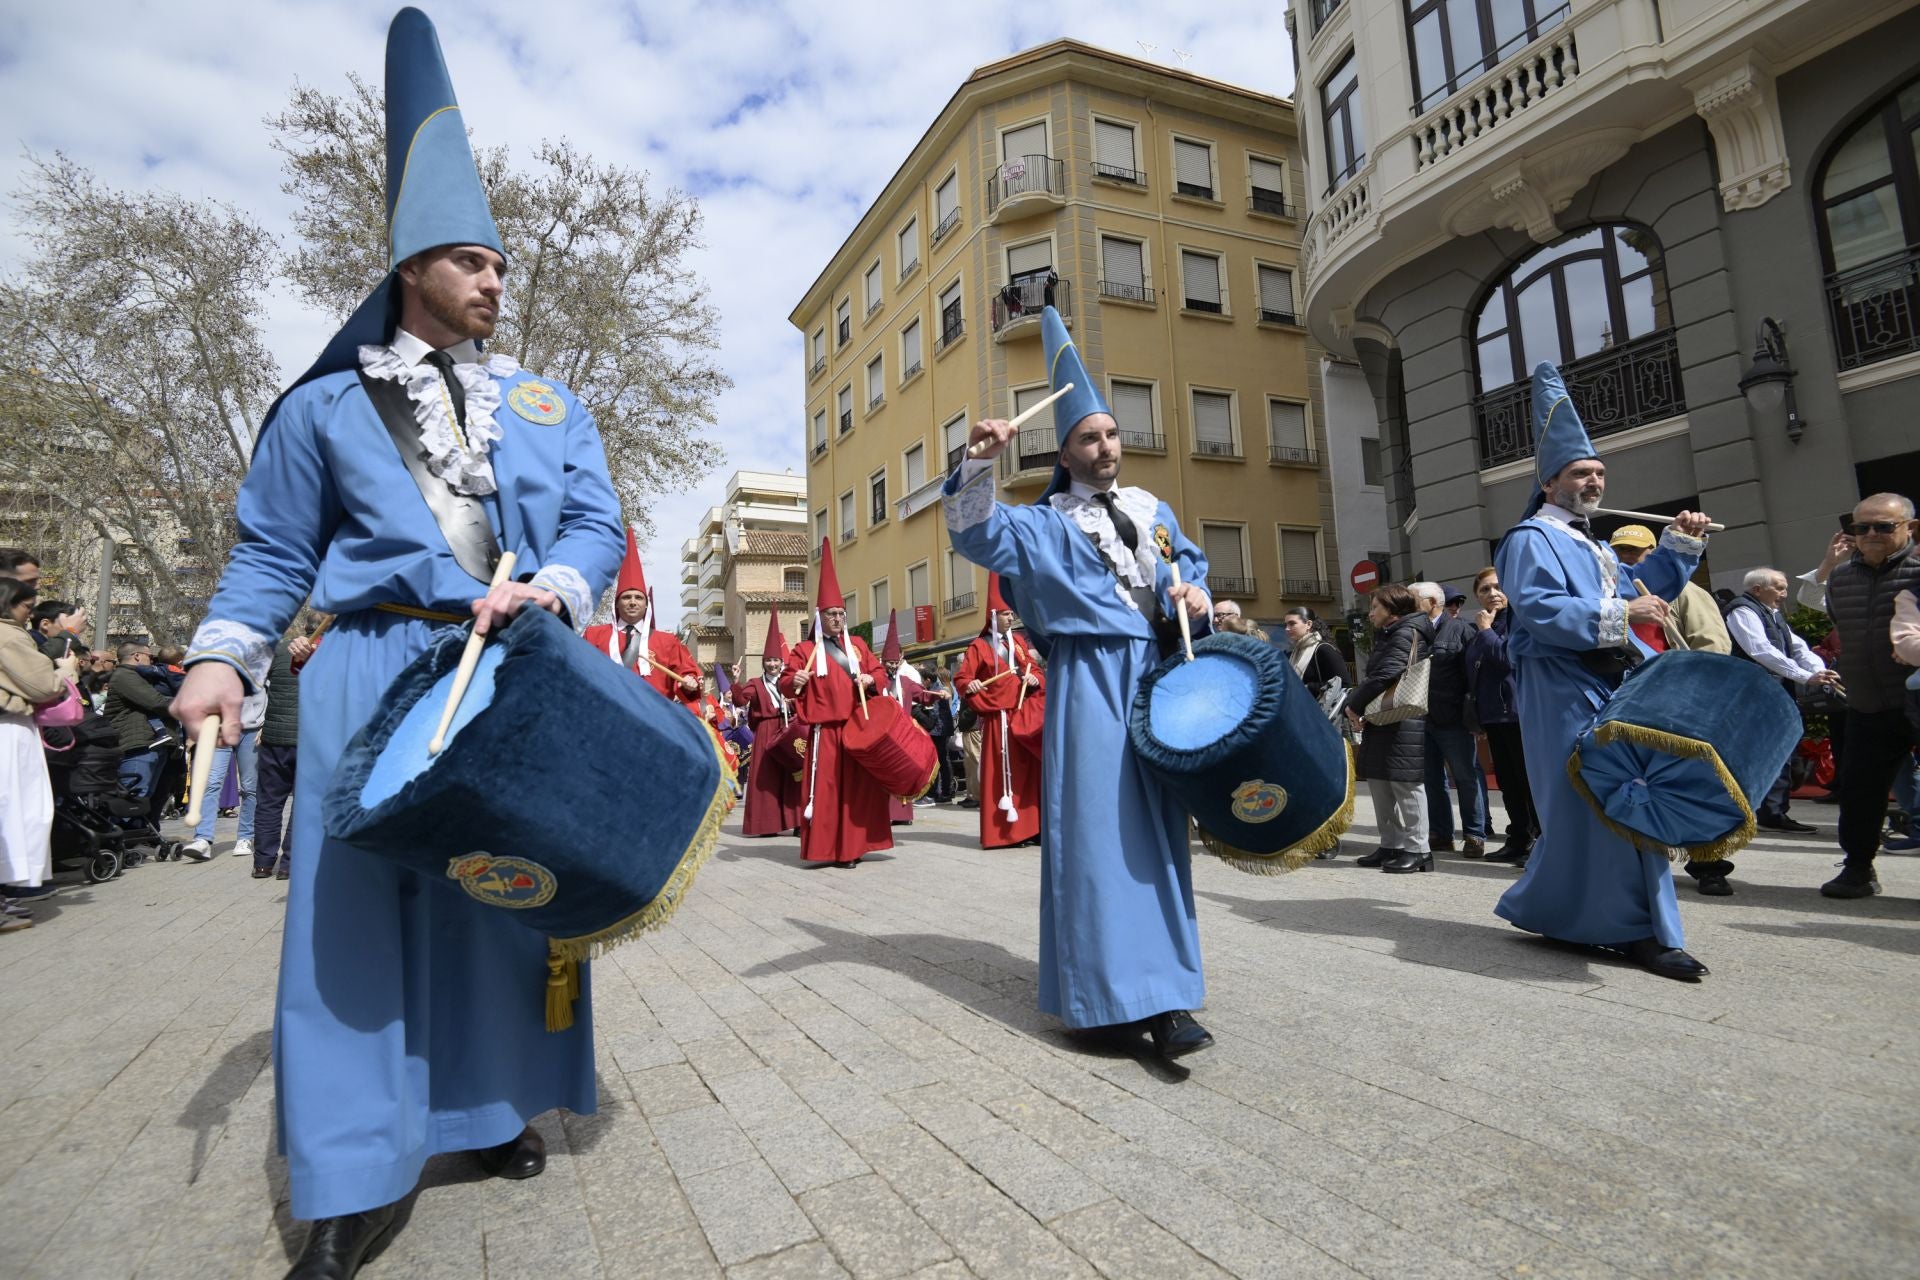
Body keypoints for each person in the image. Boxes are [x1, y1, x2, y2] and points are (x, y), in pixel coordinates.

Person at [165, 12, 625, 1273]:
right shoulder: (319, 408)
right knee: (351, 917)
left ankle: (485, 1109)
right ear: (414, 262)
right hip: (375, 661)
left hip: (517, 672)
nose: (493, 283)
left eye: (498, 267)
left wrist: (566, 590)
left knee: (499, 896)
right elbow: (269, 553)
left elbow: (595, 518)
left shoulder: (544, 402)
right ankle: (354, 1165)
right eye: (473, 262)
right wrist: (222, 655)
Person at [943, 305, 1216, 1059]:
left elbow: (1185, 566)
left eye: (1112, 434)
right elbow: (973, 532)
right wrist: (976, 462)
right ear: (1064, 450)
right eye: (1090, 437)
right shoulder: (1043, 525)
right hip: (1089, 678)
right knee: (1100, 838)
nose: (1106, 447)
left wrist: (1191, 591)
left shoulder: (1150, 509)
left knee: (1160, 835)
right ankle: (1105, 1002)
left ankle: (1167, 992)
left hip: (1155, 675)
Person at [1492, 363, 1713, 980]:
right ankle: (1636, 930)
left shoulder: (1592, 543)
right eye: (1580, 472)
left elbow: (1648, 592)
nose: (1593, 480)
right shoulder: (1529, 538)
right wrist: (1622, 611)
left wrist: (1680, 547)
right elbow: (1539, 613)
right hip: (1561, 685)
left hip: (1609, 682)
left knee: (1619, 802)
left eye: (1598, 472)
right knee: (1594, 805)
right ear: (1549, 482)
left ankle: (1613, 922)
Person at [1812, 493, 1920, 899]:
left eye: (1884, 526)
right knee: (1860, 792)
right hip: (1867, 705)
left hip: (1916, 698)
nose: (1871, 534)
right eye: (1862, 527)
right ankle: (1857, 868)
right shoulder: (1840, 578)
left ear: (1908, 527)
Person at [779, 540, 890, 866]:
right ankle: (826, 849)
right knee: (826, 791)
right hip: (824, 734)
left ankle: (853, 848)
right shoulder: (804, 650)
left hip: (856, 728)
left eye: (842, 613)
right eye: (832, 614)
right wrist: (794, 681)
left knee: (856, 792)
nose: (839, 619)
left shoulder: (857, 645)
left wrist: (871, 680)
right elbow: (787, 683)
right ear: (820, 617)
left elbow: (879, 672)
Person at [1724, 568, 1836, 845]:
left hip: (1775, 688)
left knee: (1783, 749)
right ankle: (1758, 811)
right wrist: (1803, 675)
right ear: (1758, 589)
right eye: (1779, 588)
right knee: (1764, 750)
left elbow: (1797, 647)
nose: (1784, 594)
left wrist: (1817, 670)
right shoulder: (1742, 610)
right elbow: (1759, 649)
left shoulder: (1772, 613)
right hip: (1754, 690)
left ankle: (1774, 811)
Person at [955, 578, 1046, 848]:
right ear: (993, 616)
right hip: (998, 720)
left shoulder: (1017, 642)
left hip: (1020, 716)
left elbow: (1035, 669)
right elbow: (962, 679)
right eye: (1006, 614)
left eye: (1011, 614)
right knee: (1000, 775)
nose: (1011, 618)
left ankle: (1030, 829)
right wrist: (969, 684)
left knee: (1027, 774)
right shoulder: (978, 646)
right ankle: (1005, 833)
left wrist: (1035, 680)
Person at [2, 577, 72, 928]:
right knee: (14, 810)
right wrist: (63, 672)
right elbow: (42, 684)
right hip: (8, 727)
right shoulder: (8, 634)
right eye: (26, 608)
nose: (29, 617)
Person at [1346, 585, 1432, 872]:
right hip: (1384, 718)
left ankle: (1419, 850)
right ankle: (1391, 844)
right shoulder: (1390, 633)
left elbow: (1386, 673)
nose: (1370, 613)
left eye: (1375, 608)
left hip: (1402, 719)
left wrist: (1354, 704)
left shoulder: (1407, 632)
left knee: (1405, 785)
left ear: (1393, 610)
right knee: (1381, 782)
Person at [581, 528, 702, 708]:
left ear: (646, 605)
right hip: (605, 718)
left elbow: (687, 675)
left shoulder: (667, 642)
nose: (632, 602)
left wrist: (689, 683)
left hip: (655, 720)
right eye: (626, 597)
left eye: (638, 598)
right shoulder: (594, 636)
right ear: (616, 603)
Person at [1463, 567, 1536, 865]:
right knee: (1508, 782)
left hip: (1521, 714)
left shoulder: (1520, 622)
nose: (1492, 594)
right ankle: (1517, 839)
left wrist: (1486, 631)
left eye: (1497, 587)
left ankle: (1539, 841)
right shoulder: (1485, 625)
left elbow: (1508, 661)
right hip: (1495, 717)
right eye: (1484, 590)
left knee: (1527, 781)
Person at [1410, 580, 1487, 857]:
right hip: (1421, 718)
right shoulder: (1412, 632)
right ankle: (1441, 835)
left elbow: (1474, 677)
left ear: (1432, 603)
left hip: (1454, 718)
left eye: (1413, 599)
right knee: (1432, 779)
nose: (1408, 605)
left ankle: (1474, 834)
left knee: (1466, 777)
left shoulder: (1462, 630)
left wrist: (1475, 717)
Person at [253, 624, 321, 881]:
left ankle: (262, 862)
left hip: (275, 737)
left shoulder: (280, 650)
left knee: (269, 801)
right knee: (302, 802)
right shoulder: (333, 651)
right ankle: (289, 863)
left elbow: (257, 680)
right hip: (309, 738)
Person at [731, 611, 803, 838]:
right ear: (763, 663)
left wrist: (791, 703)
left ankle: (798, 821)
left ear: (782, 662)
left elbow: (803, 702)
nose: (773, 664)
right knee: (766, 776)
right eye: (769, 661)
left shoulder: (788, 682)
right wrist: (736, 680)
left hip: (788, 729)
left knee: (794, 774)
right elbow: (741, 700)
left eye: (776, 661)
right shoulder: (755, 683)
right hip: (765, 730)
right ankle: (767, 824)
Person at [1607, 525, 1730, 655]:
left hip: (1674, 672)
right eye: (1617, 551)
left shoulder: (1686, 592)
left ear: (1653, 552)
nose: (1624, 555)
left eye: (1633, 549)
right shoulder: (1610, 593)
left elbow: (1712, 644)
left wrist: (1699, 673)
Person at [180, 683, 265, 861]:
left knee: (250, 787)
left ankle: (246, 836)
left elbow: (276, 692)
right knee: (211, 782)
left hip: (251, 730)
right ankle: (203, 839)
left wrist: (268, 723)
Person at [103, 639, 180, 815]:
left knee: (149, 795)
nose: (152, 661)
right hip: (138, 745)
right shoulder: (125, 675)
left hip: (151, 743)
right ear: (137, 656)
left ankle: (142, 835)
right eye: (149, 656)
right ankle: (127, 836)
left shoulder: (140, 676)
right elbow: (156, 702)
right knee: (134, 795)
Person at [877, 609, 940, 816]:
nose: (892, 666)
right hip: (883, 735)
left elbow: (923, 695)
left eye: (895, 663)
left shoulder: (905, 681)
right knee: (885, 772)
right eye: (889, 663)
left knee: (903, 770)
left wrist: (939, 694)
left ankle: (901, 814)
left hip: (903, 732)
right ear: (883, 662)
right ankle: (884, 812)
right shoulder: (877, 682)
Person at [1280, 607, 1348, 701]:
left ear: (1308, 624)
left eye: (1292, 624)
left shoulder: (1323, 649)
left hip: (1320, 711)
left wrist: (1308, 687)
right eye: (1286, 625)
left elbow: (1344, 683)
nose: (1287, 629)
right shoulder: (1295, 652)